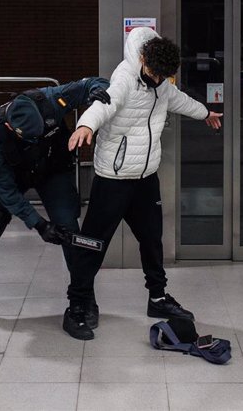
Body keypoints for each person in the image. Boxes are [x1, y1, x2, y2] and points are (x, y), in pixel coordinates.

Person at [62, 27, 223, 340]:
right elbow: (104, 104)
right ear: (142, 60)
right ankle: (77, 305)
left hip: (146, 176)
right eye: (154, 74)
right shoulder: (124, 77)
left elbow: (177, 99)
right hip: (114, 178)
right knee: (93, 244)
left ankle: (158, 298)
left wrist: (204, 113)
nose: (158, 81)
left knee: (152, 239)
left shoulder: (161, 79)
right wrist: (85, 126)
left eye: (163, 77)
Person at [0, 78, 110, 325]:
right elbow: (7, 193)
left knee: (68, 228)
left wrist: (98, 91)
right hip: (14, 176)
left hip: (51, 171)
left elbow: (90, 84)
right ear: (13, 128)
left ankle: (84, 298)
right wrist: (39, 224)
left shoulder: (51, 99)